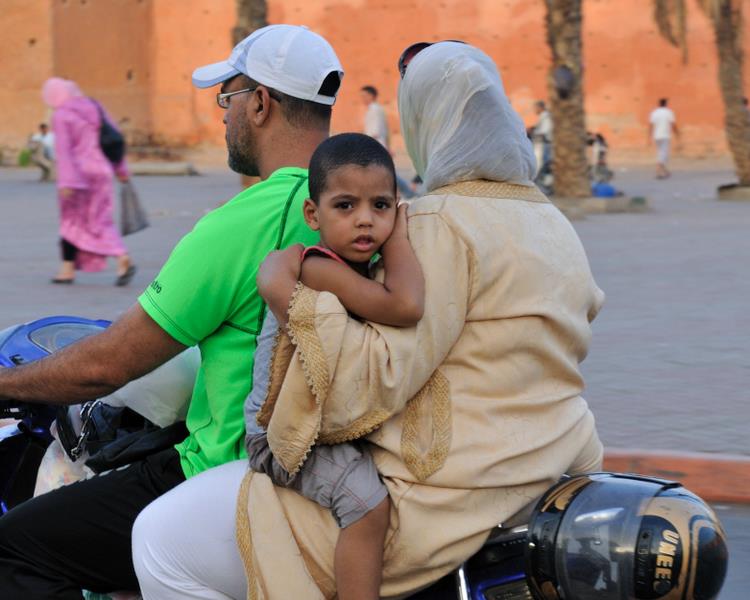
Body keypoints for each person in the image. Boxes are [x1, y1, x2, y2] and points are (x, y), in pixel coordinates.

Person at [131, 40, 604, 599]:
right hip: (547, 471)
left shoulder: (435, 225)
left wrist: (290, 298)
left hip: (438, 499)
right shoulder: (554, 225)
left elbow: (363, 391)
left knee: (157, 538)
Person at [0, 24, 343, 600]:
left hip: (225, 474)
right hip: (330, 471)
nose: (223, 116)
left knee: (13, 548)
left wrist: (9, 384)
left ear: (259, 103)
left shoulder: (244, 220)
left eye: (227, 99)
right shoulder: (368, 204)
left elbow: (108, 364)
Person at [245, 132, 424, 600]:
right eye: (345, 206)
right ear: (313, 214)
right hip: (278, 438)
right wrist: (400, 235)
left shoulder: (350, 266)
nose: (365, 220)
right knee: (368, 505)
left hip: (322, 422)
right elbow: (406, 306)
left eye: (381, 206)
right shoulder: (318, 267)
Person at [41, 78, 136, 285]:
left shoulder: (61, 115)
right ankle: (74, 266)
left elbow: (64, 151)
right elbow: (113, 138)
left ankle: (115, 256)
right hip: (101, 171)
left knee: (71, 222)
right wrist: (121, 170)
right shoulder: (93, 106)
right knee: (100, 219)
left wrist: (66, 183)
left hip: (78, 175)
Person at [361, 84, 415, 198]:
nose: (363, 98)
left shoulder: (374, 110)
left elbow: (375, 131)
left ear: (371, 96)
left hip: (374, 145)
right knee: (385, 171)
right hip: (377, 145)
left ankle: (405, 192)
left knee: (384, 172)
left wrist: (364, 144)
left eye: (365, 95)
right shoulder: (376, 109)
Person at [648, 97, 678, 179]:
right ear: (666, 104)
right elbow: (673, 124)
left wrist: (649, 137)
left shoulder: (654, 112)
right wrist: (677, 133)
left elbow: (651, 125)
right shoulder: (668, 112)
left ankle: (665, 170)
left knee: (660, 152)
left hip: (656, 135)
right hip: (665, 135)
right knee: (664, 153)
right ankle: (658, 170)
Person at [532, 99, 553, 179]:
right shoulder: (543, 116)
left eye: (535, 108)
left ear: (540, 107)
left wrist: (534, 132)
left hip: (543, 144)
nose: (534, 110)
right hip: (541, 143)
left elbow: (544, 131)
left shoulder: (546, 116)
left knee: (540, 163)